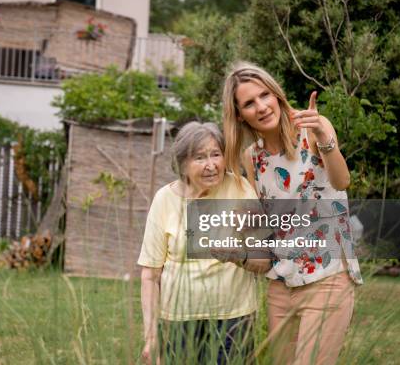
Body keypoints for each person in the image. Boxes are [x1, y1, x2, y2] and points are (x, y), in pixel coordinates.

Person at [222, 61, 363, 365]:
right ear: (239, 114)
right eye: (249, 103)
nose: (261, 107)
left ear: (276, 95)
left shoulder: (312, 129)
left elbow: (342, 181)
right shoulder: (251, 157)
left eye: (264, 95)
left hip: (328, 279)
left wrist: (325, 138)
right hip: (281, 286)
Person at [138, 121, 267, 365]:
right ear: (182, 163)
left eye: (216, 154)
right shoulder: (165, 199)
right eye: (200, 157)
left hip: (234, 320)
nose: (211, 165)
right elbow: (150, 275)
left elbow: (265, 261)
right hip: (178, 320)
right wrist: (151, 336)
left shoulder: (240, 188)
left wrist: (240, 256)